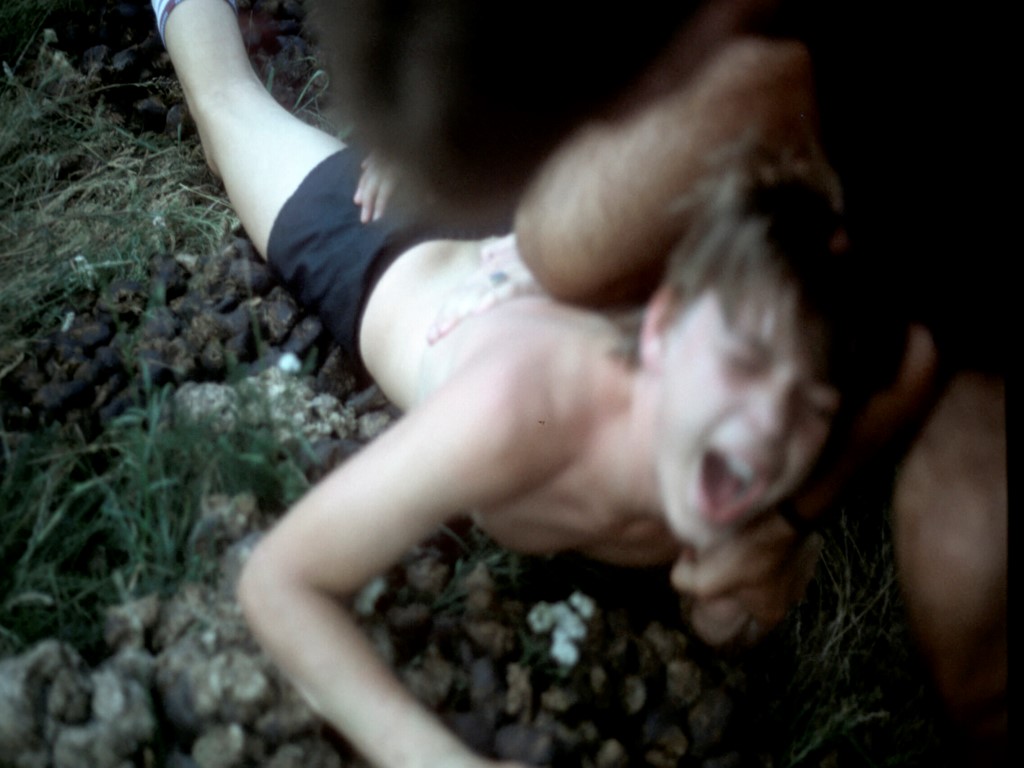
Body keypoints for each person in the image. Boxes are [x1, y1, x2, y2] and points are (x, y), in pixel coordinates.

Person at [152, 2, 917, 765]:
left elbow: (739, 608)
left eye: (811, 408)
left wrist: (756, 564)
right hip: (384, 258)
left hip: (533, 233)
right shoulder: (513, 415)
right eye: (744, 368)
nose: (770, 425)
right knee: (227, 109)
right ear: (661, 329)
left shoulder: (769, 444)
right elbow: (280, 582)